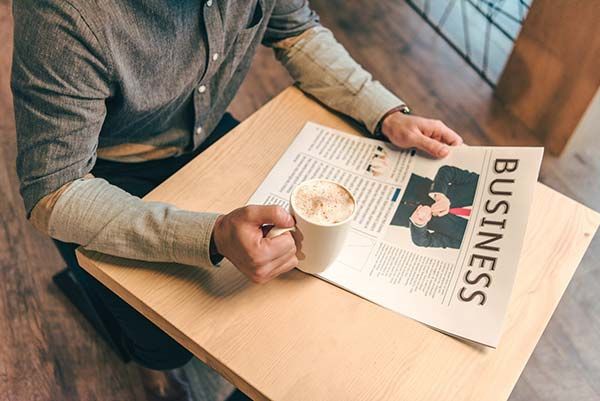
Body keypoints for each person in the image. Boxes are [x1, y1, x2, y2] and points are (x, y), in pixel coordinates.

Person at [11, 1, 463, 399]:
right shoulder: (62, 13)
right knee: (161, 336)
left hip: (205, 133)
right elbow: (54, 190)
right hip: (106, 171)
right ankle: (157, 374)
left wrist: (385, 112)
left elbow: (296, 30)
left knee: (287, 294)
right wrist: (209, 235)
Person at [391, 166, 479, 249]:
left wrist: (419, 224)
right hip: (404, 184)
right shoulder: (484, 187)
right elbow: (448, 171)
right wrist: (440, 195)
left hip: (394, 214)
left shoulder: (475, 240)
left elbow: (425, 241)